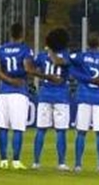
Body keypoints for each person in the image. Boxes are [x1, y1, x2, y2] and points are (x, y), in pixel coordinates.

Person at [52, 32, 99, 173]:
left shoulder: (80, 56)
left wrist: (53, 51)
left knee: (81, 132)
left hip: (84, 97)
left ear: (88, 44)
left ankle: (77, 165)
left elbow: (63, 62)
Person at [0, 22, 35, 170]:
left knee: (3, 127)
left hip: (3, 92)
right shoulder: (25, 50)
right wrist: (22, 78)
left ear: (10, 33)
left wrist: (8, 80)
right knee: (18, 128)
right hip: (19, 93)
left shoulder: (0, 50)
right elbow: (28, 68)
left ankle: (3, 160)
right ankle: (16, 161)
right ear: (22, 34)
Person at [32, 28, 72, 171]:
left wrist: (48, 50)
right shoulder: (67, 55)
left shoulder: (43, 55)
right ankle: (61, 163)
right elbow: (60, 62)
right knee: (60, 131)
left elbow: (31, 68)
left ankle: (36, 162)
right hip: (61, 96)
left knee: (41, 130)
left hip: (44, 95)